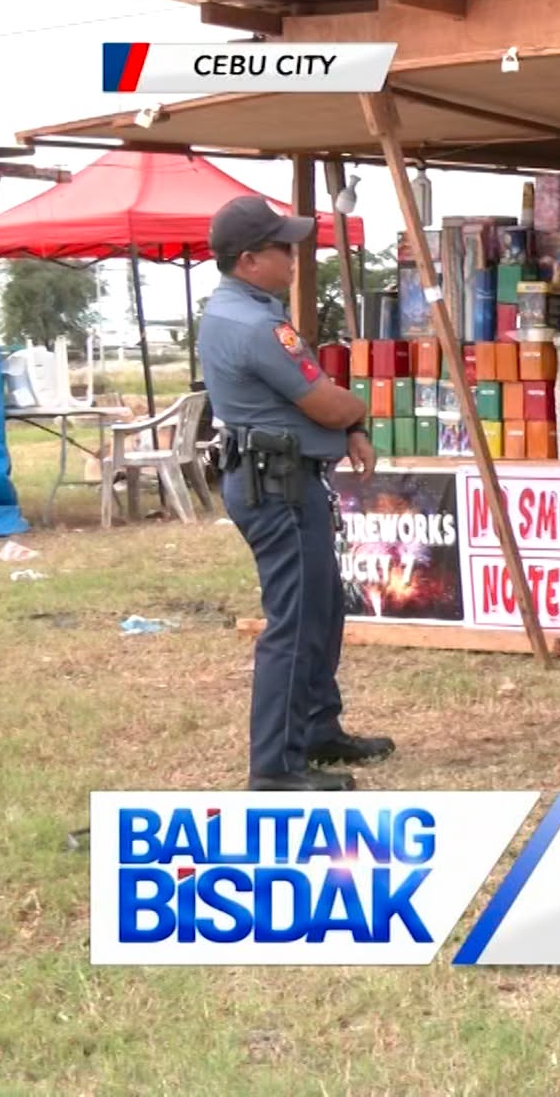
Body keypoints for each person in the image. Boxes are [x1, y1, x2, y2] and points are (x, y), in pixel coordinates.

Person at [201, 196, 392, 791]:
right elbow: (325, 400)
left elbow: (311, 401)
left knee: (321, 609)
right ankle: (277, 767)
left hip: (280, 476)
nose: (294, 256)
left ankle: (315, 728)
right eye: (283, 247)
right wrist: (358, 410)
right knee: (295, 620)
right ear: (250, 259)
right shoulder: (258, 324)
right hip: (275, 482)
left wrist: (348, 425)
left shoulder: (244, 310)